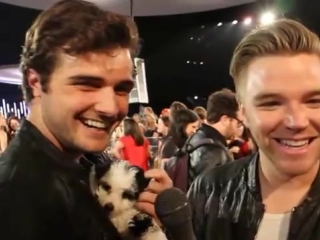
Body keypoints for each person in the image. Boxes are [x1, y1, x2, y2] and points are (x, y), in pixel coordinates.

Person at [0, 1, 172, 239]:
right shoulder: (19, 198)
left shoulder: (77, 168)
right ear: (36, 83)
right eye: (87, 85)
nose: (110, 108)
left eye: (122, 89)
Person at [188, 19, 320, 240]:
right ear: (244, 113)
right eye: (271, 103)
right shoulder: (209, 190)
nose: (296, 122)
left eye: (314, 100)